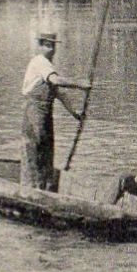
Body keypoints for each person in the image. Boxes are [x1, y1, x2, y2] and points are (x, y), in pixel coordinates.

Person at [20, 31, 91, 191]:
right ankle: (31, 188)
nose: (51, 49)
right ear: (40, 46)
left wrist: (75, 113)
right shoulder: (39, 62)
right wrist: (80, 84)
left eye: (52, 46)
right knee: (35, 149)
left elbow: (59, 93)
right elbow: (55, 80)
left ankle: (44, 187)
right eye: (47, 46)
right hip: (34, 113)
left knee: (47, 150)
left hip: (45, 115)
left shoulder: (48, 66)